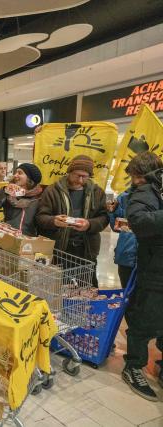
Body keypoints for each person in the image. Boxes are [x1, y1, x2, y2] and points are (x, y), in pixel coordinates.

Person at [122, 152, 163, 401]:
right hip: (155, 269)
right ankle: (134, 365)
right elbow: (139, 221)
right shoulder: (145, 191)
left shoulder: (157, 187)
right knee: (145, 318)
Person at [35, 154, 109, 287]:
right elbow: (40, 217)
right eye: (77, 175)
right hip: (59, 250)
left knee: (86, 288)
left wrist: (89, 224)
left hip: (86, 250)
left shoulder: (97, 192)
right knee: (59, 288)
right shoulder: (52, 191)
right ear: (69, 172)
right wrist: (53, 221)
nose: (80, 180)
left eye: (84, 176)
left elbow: (104, 218)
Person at [0, 163, 43, 236]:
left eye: (20, 173)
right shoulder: (9, 193)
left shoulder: (39, 198)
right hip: (7, 237)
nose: (15, 175)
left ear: (29, 178)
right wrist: (4, 190)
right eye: (16, 172)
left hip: (28, 241)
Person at [107, 191, 137, 288]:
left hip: (152, 259)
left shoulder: (158, 196)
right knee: (126, 293)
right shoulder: (125, 196)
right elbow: (115, 227)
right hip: (126, 254)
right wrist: (112, 211)